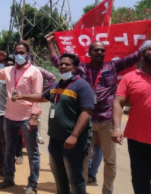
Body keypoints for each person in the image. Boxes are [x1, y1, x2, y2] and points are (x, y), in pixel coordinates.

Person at [46, 33, 143, 194]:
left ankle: (107, 191)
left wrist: (145, 47)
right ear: (89, 53)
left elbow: (132, 59)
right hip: (85, 122)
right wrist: (50, 43)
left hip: (107, 120)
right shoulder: (81, 69)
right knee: (83, 158)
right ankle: (80, 188)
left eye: (102, 51)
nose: (100, 53)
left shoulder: (112, 67)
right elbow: (57, 61)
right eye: (96, 50)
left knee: (110, 161)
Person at [13, 53, 94, 194]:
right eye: (61, 64)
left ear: (75, 68)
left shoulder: (82, 86)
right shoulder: (57, 85)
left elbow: (86, 112)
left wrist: (74, 136)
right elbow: (42, 97)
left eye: (67, 64)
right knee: (59, 176)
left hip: (73, 141)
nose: (63, 66)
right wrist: (21, 96)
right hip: (56, 139)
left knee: (75, 178)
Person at [0, 43, 43, 194]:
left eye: (22, 52)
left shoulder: (35, 72)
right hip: (10, 116)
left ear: (28, 54)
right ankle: (9, 178)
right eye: (17, 52)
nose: (19, 54)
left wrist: (34, 116)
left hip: (27, 117)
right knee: (9, 149)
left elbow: (38, 96)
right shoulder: (8, 70)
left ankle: (32, 184)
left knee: (32, 153)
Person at [112, 40, 151, 194]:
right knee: (140, 179)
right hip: (138, 137)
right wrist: (116, 127)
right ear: (141, 54)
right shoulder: (130, 78)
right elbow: (118, 102)